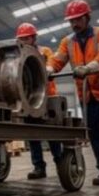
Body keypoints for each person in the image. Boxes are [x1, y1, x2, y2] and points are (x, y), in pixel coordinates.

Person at [46, 0, 99, 189]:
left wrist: (88, 68)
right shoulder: (67, 42)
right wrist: (48, 69)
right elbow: (58, 60)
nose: (74, 23)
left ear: (87, 17)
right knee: (94, 134)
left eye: (78, 19)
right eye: (71, 20)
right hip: (87, 96)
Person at [16, 22, 63, 179]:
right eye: (21, 39)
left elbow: (52, 64)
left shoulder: (45, 51)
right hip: (29, 100)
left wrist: (47, 69)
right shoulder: (19, 55)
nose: (23, 42)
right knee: (33, 135)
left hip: (48, 97)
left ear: (34, 38)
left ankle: (60, 164)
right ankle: (39, 167)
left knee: (52, 134)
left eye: (26, 38)